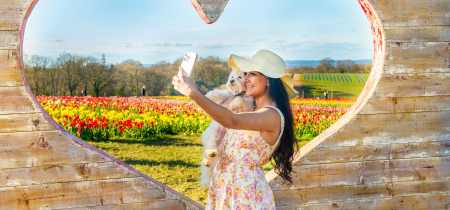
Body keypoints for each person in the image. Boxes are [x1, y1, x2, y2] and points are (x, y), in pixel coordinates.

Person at [172, 49, 299, 209]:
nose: (245, 79)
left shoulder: (271, 115)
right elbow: (222, 118)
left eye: (252, 74)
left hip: (244, 192)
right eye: (245, 74)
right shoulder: (249, 108)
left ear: (268, 80)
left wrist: (192, 92)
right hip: (225, 186)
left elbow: (231, 121)